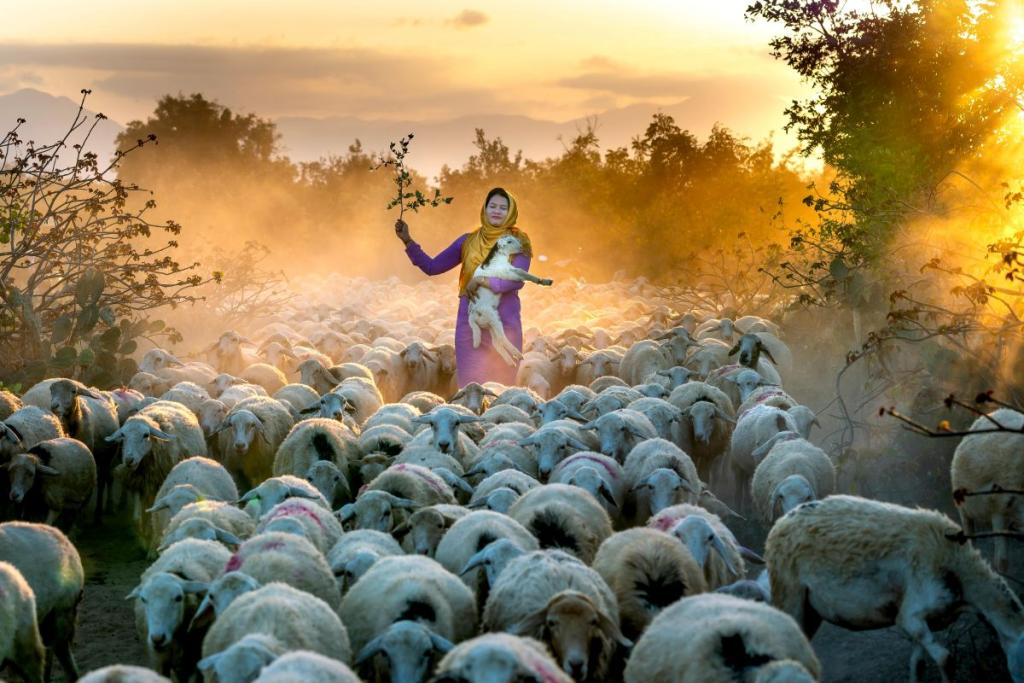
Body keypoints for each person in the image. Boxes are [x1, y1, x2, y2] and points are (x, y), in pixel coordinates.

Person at [395, 187, 533, 387]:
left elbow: (516, 278)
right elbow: (433, 267)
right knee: (471, 390)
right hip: (470, 327)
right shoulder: (467, 241)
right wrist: (408, 241)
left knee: (502, 390)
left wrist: (482, 281)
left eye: (503, 208)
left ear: (511, 212)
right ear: (484, 209)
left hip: (504, 327)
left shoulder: (519, 243)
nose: (497, 211)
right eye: (492, 206)